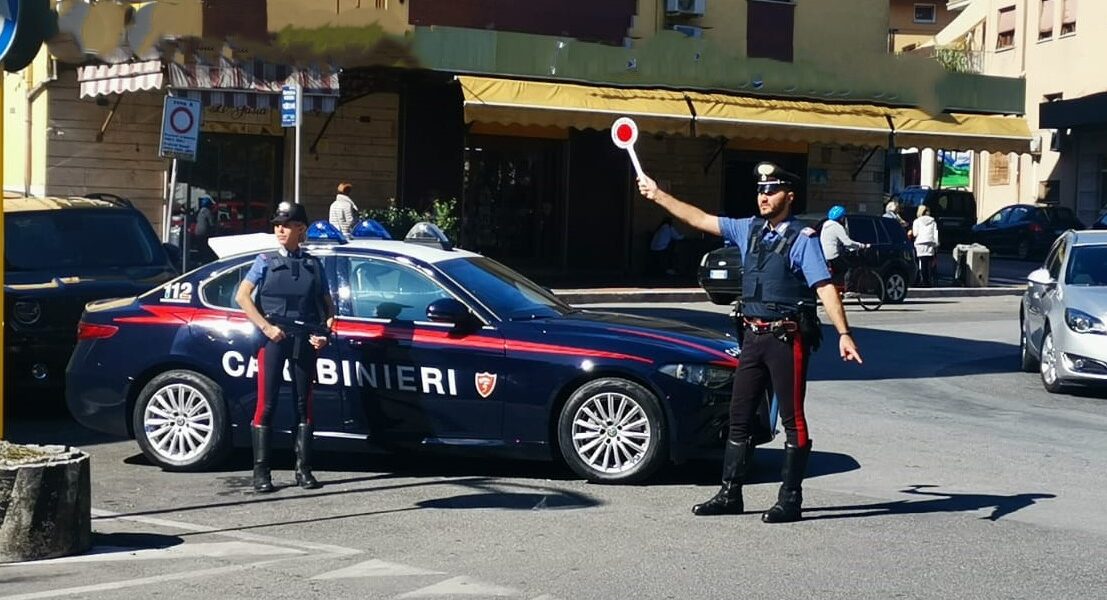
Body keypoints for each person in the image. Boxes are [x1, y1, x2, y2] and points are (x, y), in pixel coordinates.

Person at [638, 162, 863, 524]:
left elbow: (824, 287)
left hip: (785, 337)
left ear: (789, 196)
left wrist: (844, 333)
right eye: (760, 190)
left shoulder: (802, 240)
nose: (763, 196)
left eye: (771, 190)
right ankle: (730, 493)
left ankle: (790, 498)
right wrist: (658, 194)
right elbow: (699, 219)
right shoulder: (748, 229)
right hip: (752, 337)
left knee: (793, 419)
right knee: (738, 416)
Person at [235, 201, 336, 493]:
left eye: (287, 224)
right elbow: (242, 297)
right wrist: (266, 327)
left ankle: (303, 471)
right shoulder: (264, 261)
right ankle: (261, 473)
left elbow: (328, 307)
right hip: (273, 339)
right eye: (277, 224)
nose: (280, 229)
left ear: (301, 229)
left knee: (304, 405)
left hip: (303, 338)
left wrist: (325, 334)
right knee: (266, 404)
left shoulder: (314, 265)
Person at [820, 205, 869, 285]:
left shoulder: (825, 225)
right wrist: (860, 245)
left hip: (824, 255)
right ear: (841, 217)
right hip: (833, 255)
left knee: (836, 272)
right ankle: (848, 289)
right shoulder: (837, 226)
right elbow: (847, 242)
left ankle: (837, 286)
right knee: (848, 268)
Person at [912, 204, 939, 286]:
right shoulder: (933, 221)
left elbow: (915, 233)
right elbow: (935, 233)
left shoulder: (917, 221)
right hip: (930, 243)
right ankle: (928, 281)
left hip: (920, 243)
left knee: (921, 263)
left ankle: (922, 280)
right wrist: (936, 244)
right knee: (928, 263)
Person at [193, 195, 218, 264]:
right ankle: (205, 261)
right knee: (206, 247)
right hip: (204, 232)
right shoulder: (207, 212)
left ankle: (200, 260)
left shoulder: (199, 211)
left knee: (200, 247)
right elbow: (211, 223)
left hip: (197, 232)